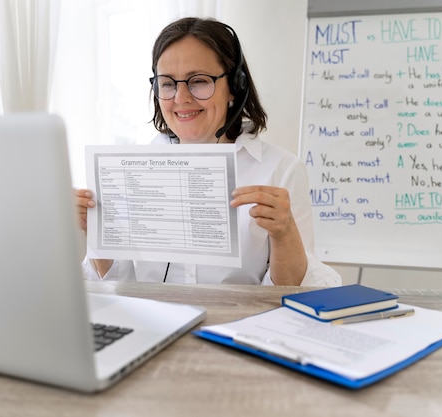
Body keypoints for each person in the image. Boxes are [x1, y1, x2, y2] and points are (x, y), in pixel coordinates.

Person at [75, 17, 341, 287]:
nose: (181, 98)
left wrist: (284, 235)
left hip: (239, 327)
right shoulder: (128, 173)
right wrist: (96, 231)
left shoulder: (280, 170)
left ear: (235, 87)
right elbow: (119, 284)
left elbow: (292, 293)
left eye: (198, 81)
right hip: (159, 326)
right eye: (168, 83)